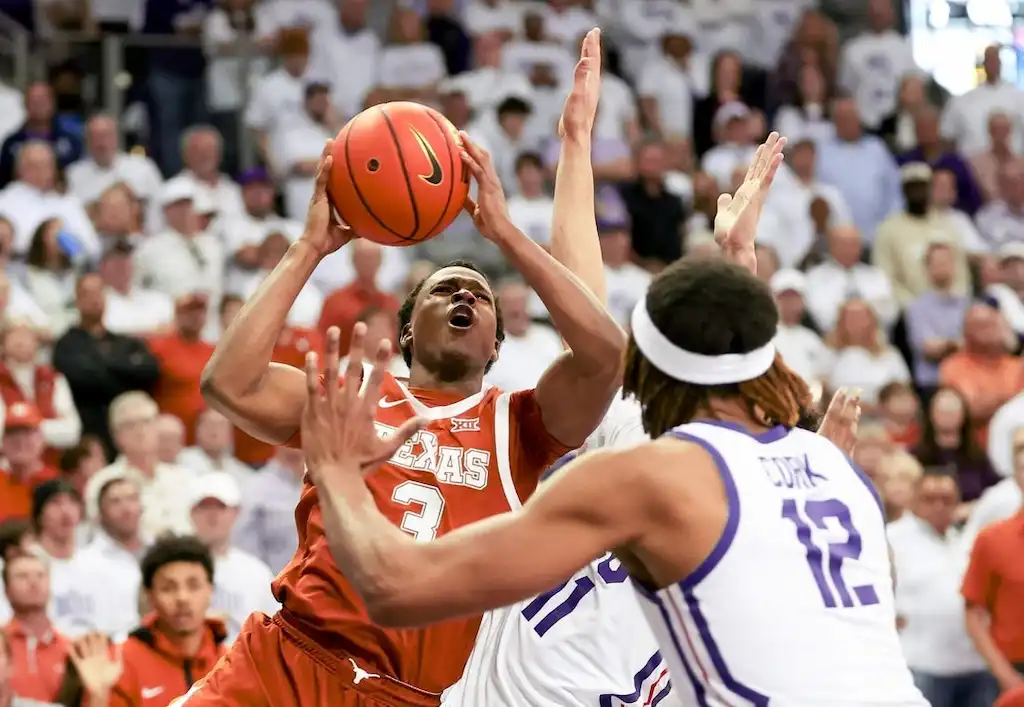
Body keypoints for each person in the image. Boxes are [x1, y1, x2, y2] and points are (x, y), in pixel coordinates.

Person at [193, 28, 624, 706]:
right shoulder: (352, 396)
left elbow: (604, 354)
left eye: (479, 295)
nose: (464, 296)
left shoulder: (520, 425)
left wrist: (506, 234)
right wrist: (309, 246)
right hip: (287, 660)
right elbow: (229, 382)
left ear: (495, 346)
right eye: (444, 289)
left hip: (408, 695)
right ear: (403, 331)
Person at [301, 262, 927, 704]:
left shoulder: (642, 477)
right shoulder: (839, 481)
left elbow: (392, 589)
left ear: (643, 371)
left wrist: (334, 473)